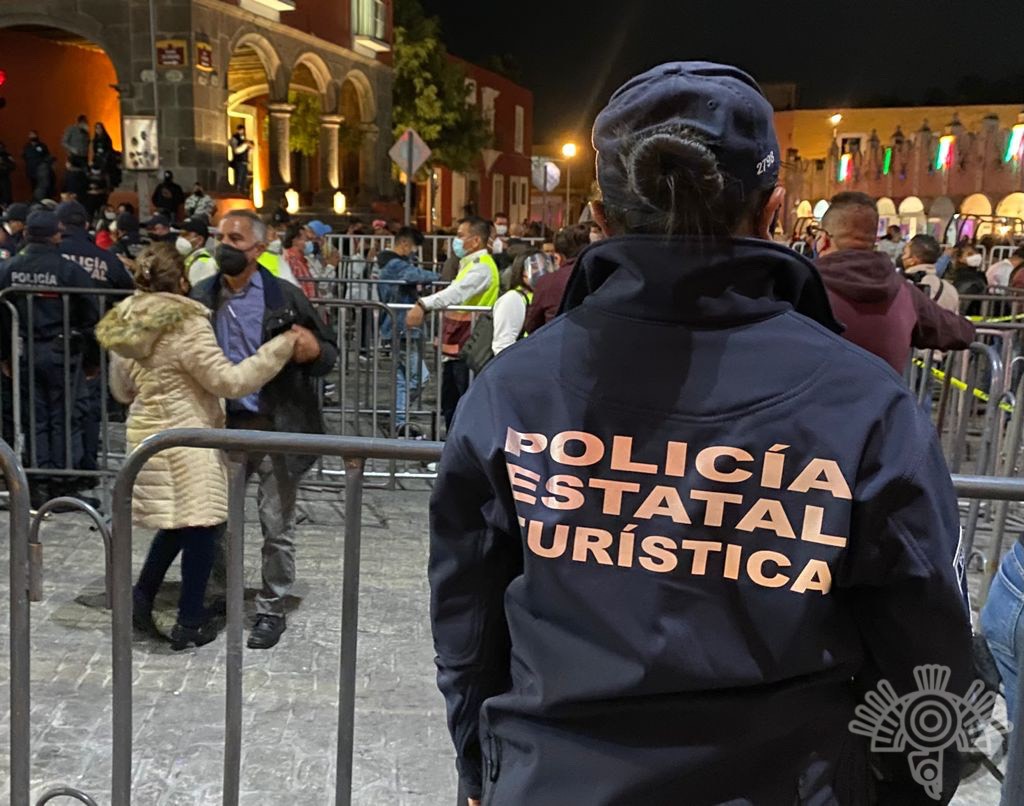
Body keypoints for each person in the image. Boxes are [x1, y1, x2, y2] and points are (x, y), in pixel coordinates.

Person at [429, 61, 973, 806]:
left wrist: (480, 765)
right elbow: (926, 647)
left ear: (601, 218)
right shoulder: (865, 406)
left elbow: (468, 624)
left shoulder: (513, 390)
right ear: (775, 212)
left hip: (554, 779)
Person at [97, 243, 301, 649]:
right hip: (189, 438)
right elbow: (229, 382)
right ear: (183, 282)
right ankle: (189, 622)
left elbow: (122, 390)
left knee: (182, 526)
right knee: (204, 527)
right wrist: (278, 349)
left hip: (149, 437)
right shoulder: (187, 323)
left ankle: (140, 599)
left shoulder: (126, 321)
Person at [191, 210, 338, 649]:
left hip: (276, 426)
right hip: (221, 428)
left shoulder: (284, 297)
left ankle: (271, 608)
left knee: (276, 526)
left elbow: (329, 354)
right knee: (215, 521)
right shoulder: (202, 296)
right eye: (221, 237)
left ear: (258, 248)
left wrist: (312, 350)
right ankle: (220, 598)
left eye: (235, 238)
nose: (224, 246)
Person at [0, 211, 99, 509]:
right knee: (65, 417)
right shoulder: (68, 271)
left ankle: (38, 481)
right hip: (61, 351)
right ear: (56, 235)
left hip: (24, 350)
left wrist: (4, 355)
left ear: (27, 233)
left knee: (34, 417)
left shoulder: (8, 269)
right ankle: (62, 485)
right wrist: (92, 357)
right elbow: (91, 313)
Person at [813, 193, 975, 373]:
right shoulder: (903, 291)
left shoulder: (799, 286)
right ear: (873, 240)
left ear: (823, 240)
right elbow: (957, 332)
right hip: (884, 399)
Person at [405, 216, 499, 431]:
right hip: (457, 345)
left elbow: (455, 294)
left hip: (469, 347)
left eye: (460, 236)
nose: (456, 241)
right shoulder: (470, 265)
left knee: (462, 405)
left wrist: (423, 304)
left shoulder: (481, 268)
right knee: (451, 404)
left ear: (475, 241)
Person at [377, 226, 440, 436]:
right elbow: (414, 275)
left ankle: (397, 420)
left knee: (403, 379)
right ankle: (397, 416)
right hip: (403, 329)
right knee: (418, 378)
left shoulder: (388, 263)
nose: (413, 252)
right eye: (413, 248)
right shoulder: (396, 265)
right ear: (404, 244)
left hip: (399, 329)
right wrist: (442, 276)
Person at [523, 223, 590, 334]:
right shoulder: (602, 276)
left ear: (557, 257)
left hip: (556, 343)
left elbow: (532, 325)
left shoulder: (547, 282)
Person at [491, 250, 550, 355]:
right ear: (521, 271)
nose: (541, 271)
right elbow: (503, 344)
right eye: (535, 267)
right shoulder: (513, 299)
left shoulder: (543, 295)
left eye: (544, 266)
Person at [902, 234, 961, 313]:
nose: (902, 257)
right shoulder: (950, 290)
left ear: (913, 260)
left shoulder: (903, 285)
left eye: (904, 253)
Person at [176, 217, 218, 286]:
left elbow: (200, 294)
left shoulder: (204, 262)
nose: (179, 238)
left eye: (185, 235)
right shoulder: (191, 258)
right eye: (179, 235)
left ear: (199, 240)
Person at [282, 222, 317, 299]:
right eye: (306, 239)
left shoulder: (303, 260)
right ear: (295, 240)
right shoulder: (290, 260)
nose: (308, 243)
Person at [23, 131, 54, 202]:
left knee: (43, 188)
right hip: (31, 171)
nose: (32, 136)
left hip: (42, 172)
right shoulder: (27, 147)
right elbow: (25, 157)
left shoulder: (42, 146)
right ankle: (35, 202)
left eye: (34, 135)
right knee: (34, 188)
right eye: (31, 135)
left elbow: (48, 156)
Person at [229, 125, 253, 193]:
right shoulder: (235, 138)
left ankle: (243, 190)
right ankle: (237, 191)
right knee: (239, 178)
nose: (242, 132)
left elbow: (249, 149)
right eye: (240, 130)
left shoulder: (244, 139)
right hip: (238, 161)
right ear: (237, 130)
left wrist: (249, 146)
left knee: (244, 178)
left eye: (243, 130)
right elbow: (236, 150)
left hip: (244, 162)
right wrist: (245, 144)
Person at [0, 141, 16, 206]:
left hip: (4, 178)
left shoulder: (7, 156)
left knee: (7, 196)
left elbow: (12, 166)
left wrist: (3, 163)